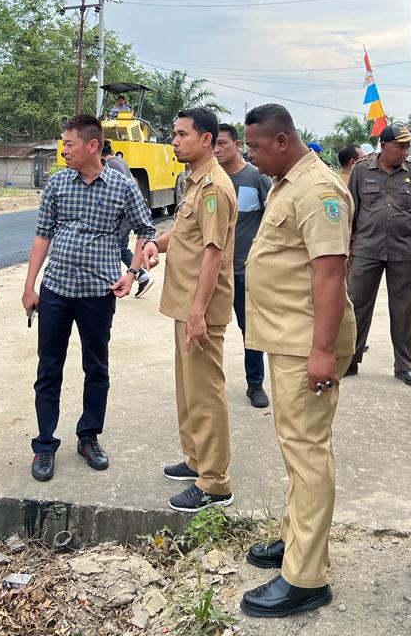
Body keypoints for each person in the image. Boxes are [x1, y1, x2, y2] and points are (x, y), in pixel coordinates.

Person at [240, 103, 355, 619]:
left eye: (256, 148)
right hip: (288, 338)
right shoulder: (289, 181)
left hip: (307, 344)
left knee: (308, 453)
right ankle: (294, 541)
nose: (250, 156)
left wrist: (323, 352)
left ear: (281, 141)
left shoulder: (319, 190)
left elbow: (330, 272)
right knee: (295, 449)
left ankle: (306, 577)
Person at [22, 114, 156, 482]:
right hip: (56, 290)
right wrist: (30, 285)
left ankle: (88, 437)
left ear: (92, 146)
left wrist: (131, 274)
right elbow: (42, 235)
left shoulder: (122, 187)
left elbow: (146, 229)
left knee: (96, 368)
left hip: (98, 293)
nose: (63, 149)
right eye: (63, 144)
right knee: (49, 368)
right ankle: (45, 445)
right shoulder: (57, 183)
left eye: (69, 144)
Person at [142, 107, 237, 514]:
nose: (175, 141)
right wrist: (154, 244)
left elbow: (213, 254)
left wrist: (199, 312)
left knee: (205, 392)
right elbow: (185, 234)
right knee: (188, 390)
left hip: (201, 308)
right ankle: (196, 459)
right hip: (185, 305)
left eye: (182, 135)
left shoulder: (215, 187)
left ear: (206, 140)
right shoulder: (193, 183)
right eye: (175, 134)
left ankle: (215, 482)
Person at [346, 124, 411, 388]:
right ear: (384, 145)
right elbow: (350, 210)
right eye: (400, 146)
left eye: (407, 146)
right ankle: (349, 360)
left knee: (404, 311)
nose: (405, 151)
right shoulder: (361, 171)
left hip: (405, 252)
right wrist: (346, 247)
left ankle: (404, 366)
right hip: (367, 249)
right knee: (357, 307)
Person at [214, 123, 271, 408]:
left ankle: (255, 384)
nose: (217, 149)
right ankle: (209, 386)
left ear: (237, 146)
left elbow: (272, 221)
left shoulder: (256, 178)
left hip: (245, 271)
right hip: (213, 270)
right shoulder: (210, 179)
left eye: (223, 143)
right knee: (210, 329)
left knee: (251, 330)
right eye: (214, 143)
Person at [101, 140, 153, 296]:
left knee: (115, 246)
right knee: (121, 246)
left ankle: (134, 276)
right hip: (131, 212)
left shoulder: (109, 166)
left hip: (123, 214)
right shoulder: (120, 161)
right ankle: (141, 276)